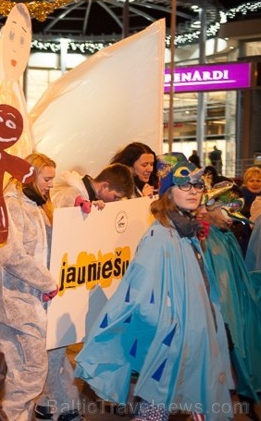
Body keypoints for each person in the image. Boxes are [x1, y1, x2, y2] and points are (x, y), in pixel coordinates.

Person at [75, 161, 233, 421]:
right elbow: (139, 294)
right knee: (158, 407)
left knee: (191, 400)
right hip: (173, 342)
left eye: (197, 185)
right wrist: (171, 330)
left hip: (194, 339)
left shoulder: (186, 233)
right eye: (184, 185)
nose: (193, 191)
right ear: (169, 193)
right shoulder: (159, 236)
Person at [40, 162, 135, 421]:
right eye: (114, 196)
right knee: (55, 350)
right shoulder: (69, 197)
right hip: (56, 283)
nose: (113, 201)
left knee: (56, 349)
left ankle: (49, 404)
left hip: (64, 283)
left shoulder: (80, 197)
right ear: (103, 186)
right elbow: (55, 237)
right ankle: (63, 408)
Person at [0, 153, 58, 420]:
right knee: (32, 372)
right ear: (30, 175)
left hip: (24, 301)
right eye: (47, 179)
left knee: (19, 372)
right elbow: (12, 256)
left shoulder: (33, 205)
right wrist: (48, 282)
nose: (51, 185)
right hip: (14, 301)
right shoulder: (11, 206)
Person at [202, 182, 261, 417]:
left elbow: (238, 279)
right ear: (210, 206)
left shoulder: (225, 237)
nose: (233, 219)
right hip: (220, 321)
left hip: (233, 317)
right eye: (228, 212)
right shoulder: (205, 240)